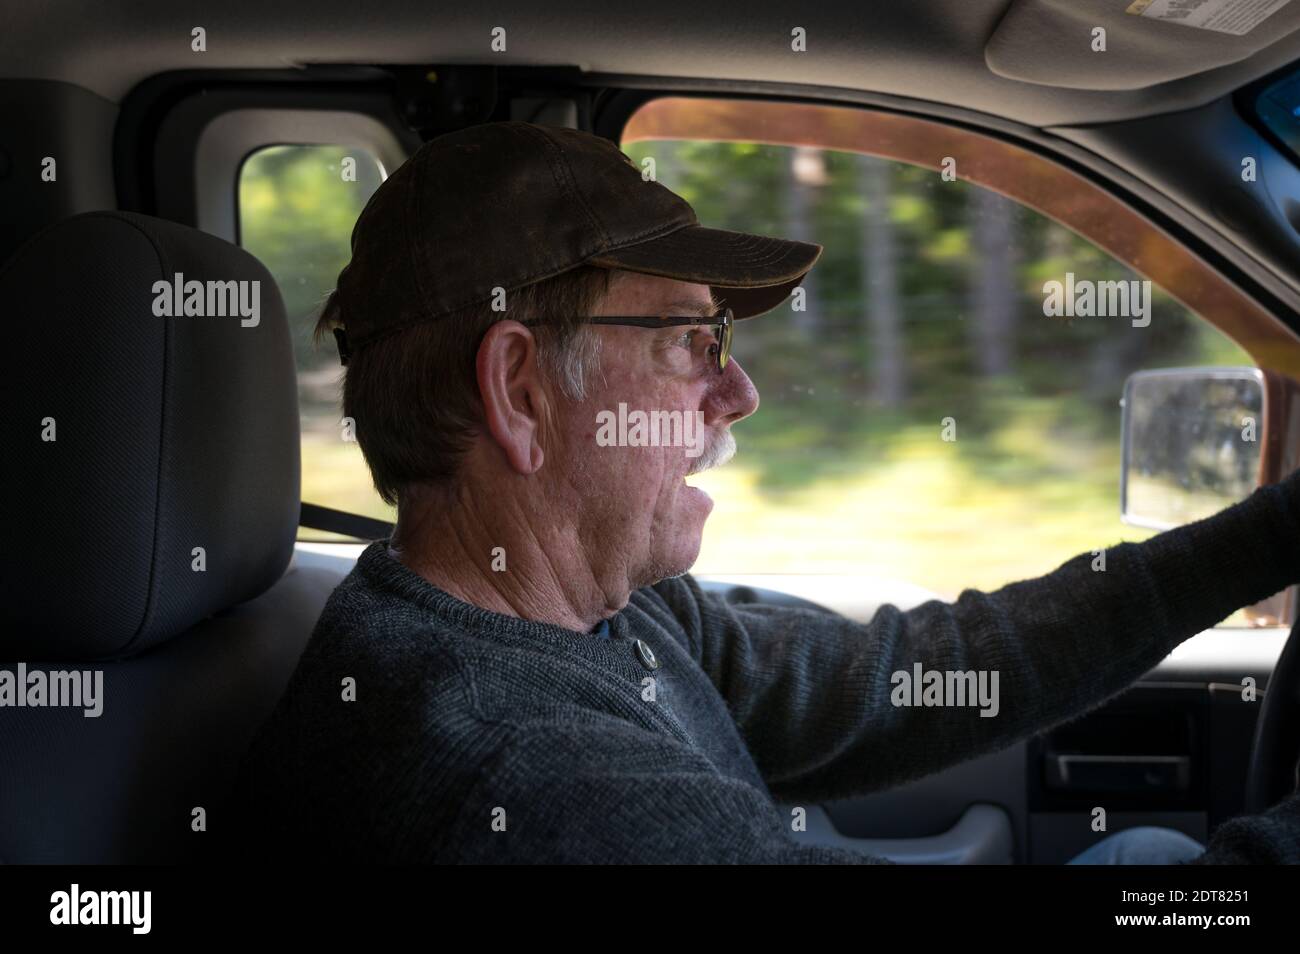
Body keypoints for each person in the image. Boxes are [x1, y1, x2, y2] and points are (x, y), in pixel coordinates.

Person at [231, 121, 1300, 863]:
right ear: (520, 391)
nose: (737, 392)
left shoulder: (610, 612)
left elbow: (922, 674)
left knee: (1157, 851)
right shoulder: (518, 776)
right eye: (691, 340)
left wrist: (1269, 535)